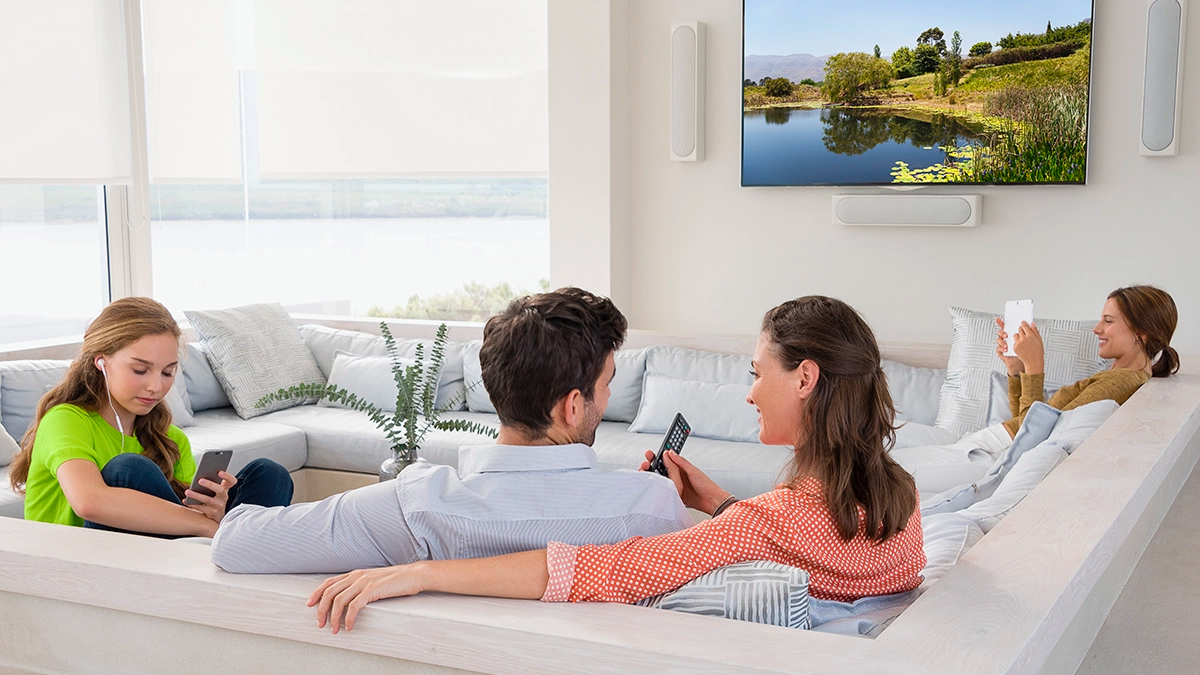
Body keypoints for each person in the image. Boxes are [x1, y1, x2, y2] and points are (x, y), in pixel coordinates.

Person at [306, 296, 927, 633]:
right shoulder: (903, 499)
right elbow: (814, 546)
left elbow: (594, 571)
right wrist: (717, 505)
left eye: (758, 372)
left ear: (806, 379)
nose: (749, 391)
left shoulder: (772, 521)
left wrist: (422, 573)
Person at [209, 287, 694, 574]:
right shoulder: (649, 507)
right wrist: (647, 490)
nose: (607, 399)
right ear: (572, 406)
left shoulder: (412, 503)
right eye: (606, 384)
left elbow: (235, 544)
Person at [8, 297, 293, 537]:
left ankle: (240, 551)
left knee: (269, 475)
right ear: (101, 361)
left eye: (167, 372)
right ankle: (240, 542)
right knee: (128, 469)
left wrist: (214, 510)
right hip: (80, 560)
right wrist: (211, 527)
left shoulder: (171, 439)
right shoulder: (66, 419)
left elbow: (180, 515)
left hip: (163, 552)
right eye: (140, 370)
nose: (156, 387)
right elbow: (89, 502)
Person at [997, 285, 1178, 438]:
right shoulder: (1120, 378)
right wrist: (1017, 370)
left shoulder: (1119, 383)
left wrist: (1034, 367)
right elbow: (1023, 424)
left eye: (1108, 321)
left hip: (994, 446)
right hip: (996, 443)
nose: (1097, 329)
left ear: (1141, 332)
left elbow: (1032, 438)